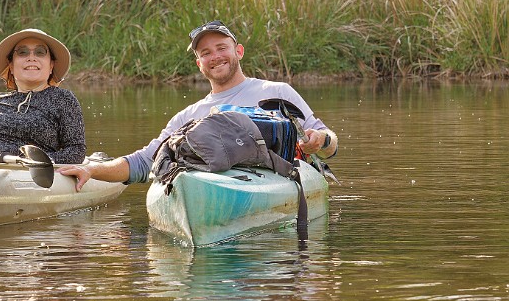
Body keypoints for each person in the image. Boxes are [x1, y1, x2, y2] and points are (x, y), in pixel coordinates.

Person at [58, 20, 338, 190]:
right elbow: (145, 162)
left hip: (278, 184)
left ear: (237, 51)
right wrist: (92, 170)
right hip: (219, 189)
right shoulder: (189, 116)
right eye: (206, 53)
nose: (215, 56)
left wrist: (320, 140)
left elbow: (330, 144)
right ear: (199, 64)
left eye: (221, 48)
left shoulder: (277, 91)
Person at [0, 28, 86, 164]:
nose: (31, 58)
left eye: (40, 52)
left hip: (31, 174)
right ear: (11, 66)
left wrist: (40, 160)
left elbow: (76, 152)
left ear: (51, 66)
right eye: (23, 52)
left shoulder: (63, 99)